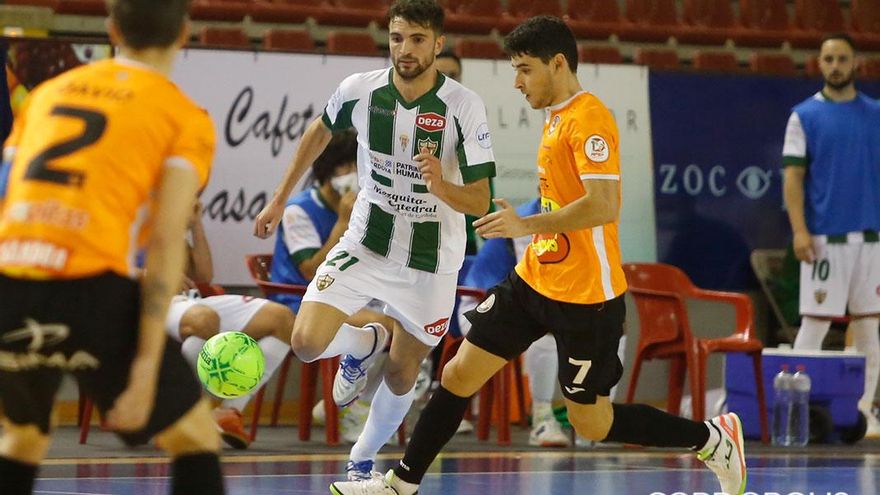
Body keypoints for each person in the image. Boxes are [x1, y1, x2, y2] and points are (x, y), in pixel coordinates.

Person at [329, 16, 746, 495]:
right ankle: (402, 484)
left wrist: (524, 226)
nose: (517, 82)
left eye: (525, 69)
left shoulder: (589, 119)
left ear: (558, 64)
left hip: (587, 297)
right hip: (535, 279)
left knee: (591, 422)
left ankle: (712, 439)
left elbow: (604, 206)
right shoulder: (555, 115)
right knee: (458, 372)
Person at [253, 0, 495, 481]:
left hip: (430, 260)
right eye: (397, 38)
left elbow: (480, 200)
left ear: (438, 44)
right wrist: (279, 199)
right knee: (305, 341)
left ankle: (362, 457)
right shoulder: (360, 90)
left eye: (418, 40)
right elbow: (319, 131)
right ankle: (366, 343)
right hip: (366, 241)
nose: (405, 50)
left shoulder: (463, 107)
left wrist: (440, 186)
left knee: (403, 372)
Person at [0, 1, 225, 494]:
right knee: (194, 437)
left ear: (112, 30)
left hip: (10, 280)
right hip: (90, 288)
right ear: (184, 33)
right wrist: (144, 370)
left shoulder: (46, 94)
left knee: (22, 439)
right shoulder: (183, 117)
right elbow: (166, 240)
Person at [270, 130, 396, 444]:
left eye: (357, 165)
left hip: (348, 296)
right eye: (345, 166)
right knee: (378, 324)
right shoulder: (299, 210)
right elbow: (310, 270)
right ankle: (348, 409)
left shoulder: (365, 207)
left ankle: (353, 404)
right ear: (327, 169)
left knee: (406, 326)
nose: (353, 174)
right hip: (299, 301)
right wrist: (342, 223)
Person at [784, 32, 880, 437]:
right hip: (825, 240)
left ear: (855, 62)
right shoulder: (803, 115)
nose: (835, 66)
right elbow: (793, 177)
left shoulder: (876, 113)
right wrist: (799, 230)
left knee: (870, 327)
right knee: (815, 324)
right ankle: (791, 409)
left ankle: (862, 414)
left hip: (871, 239)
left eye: (842, 58)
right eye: (829, 59)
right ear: (819, 64)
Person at [163, 202, 295, 450]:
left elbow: (204, 276)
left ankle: (229, 411)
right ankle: (185, 414)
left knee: (282, 319)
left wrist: (195, 224)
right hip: (148, 305)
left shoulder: (167, 221)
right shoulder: (120, 216)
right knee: (204, 321)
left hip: (188, 303)